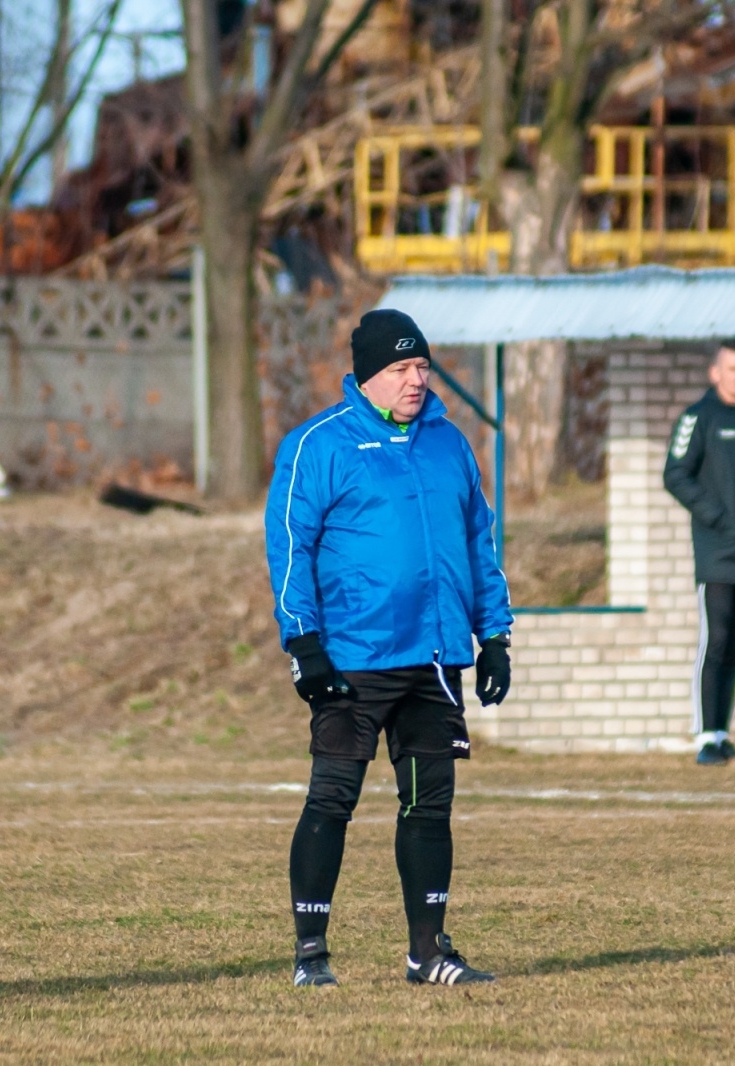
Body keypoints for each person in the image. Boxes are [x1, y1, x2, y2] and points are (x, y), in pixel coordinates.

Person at [265, 308, 512, 988]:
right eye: (401, 368)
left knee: (430, 806)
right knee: (331, 799)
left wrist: (494, 635)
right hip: (352, 657)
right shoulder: (318, 445)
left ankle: (428, 953)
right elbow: (290, 547)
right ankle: (311, 955)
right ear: (368, 375)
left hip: (433, 657)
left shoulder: (449, 443)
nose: (416, 379)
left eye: (423, 366)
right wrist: (303, 641)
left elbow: (478, 544)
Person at [663, 340, 735, 767]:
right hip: (717, 554)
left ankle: (723, 733)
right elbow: (675, 475)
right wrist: (716, 516)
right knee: (715, 642)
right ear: (715, 373)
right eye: (734, 368)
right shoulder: (698, 418)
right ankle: (706, 738)